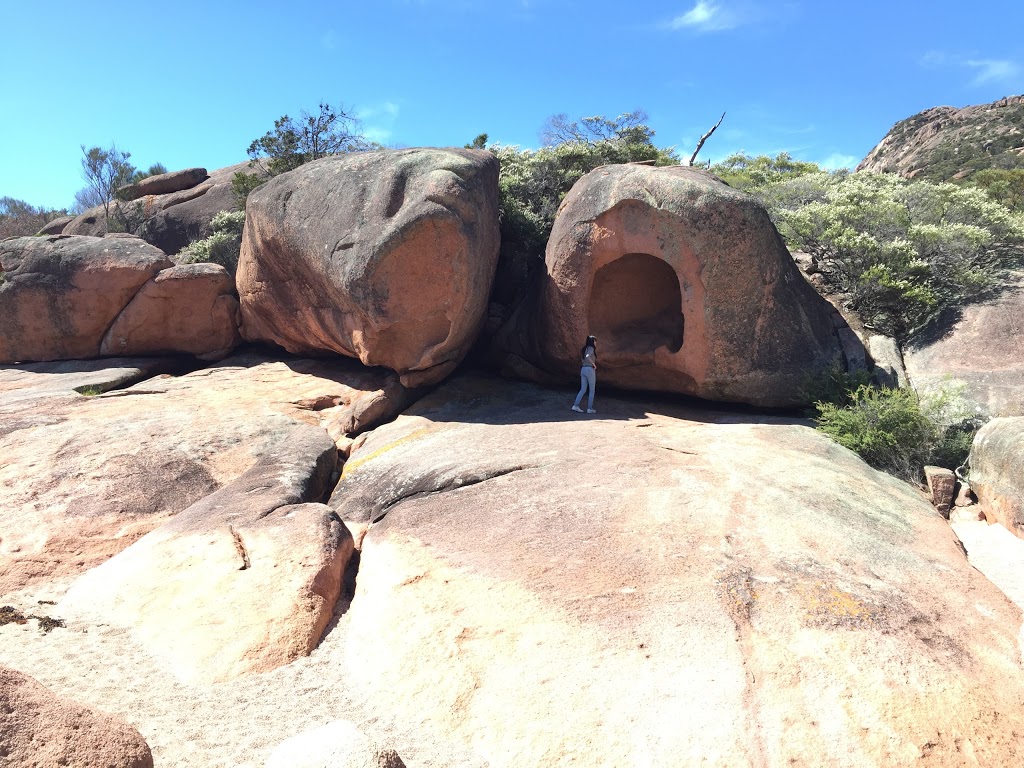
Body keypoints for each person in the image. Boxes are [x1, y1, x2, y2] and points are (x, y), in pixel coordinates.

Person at [571, 335, 598, 414]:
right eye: (595, 341)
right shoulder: (591, 348)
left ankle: (575, 406)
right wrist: (594, 364)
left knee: (583, 389)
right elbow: (588, 356)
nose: (596, 343)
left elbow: (584, 358)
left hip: (583, 369)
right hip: (590, 369)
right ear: (592, 342)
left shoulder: (583, 349)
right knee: (592, 390)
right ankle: (589, 409)